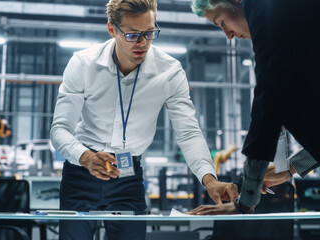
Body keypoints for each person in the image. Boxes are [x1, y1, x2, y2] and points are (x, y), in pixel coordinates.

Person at [188, 0, 320, 239]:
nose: (227, 34)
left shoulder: (268, 8)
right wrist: (289, 168)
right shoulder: (292, 26)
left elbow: (267, 103)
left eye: (222, 22)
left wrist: (245, 201)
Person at [50, 0, 238, 239]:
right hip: (81, 172)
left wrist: (209, 180)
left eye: (149, 33)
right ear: (112, 29)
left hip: (128, 176)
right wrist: (85, 157)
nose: (142, 43)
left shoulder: (169, 72)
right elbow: (60, 129)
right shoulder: (83, 64)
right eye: (132, 35)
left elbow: (188, 133)